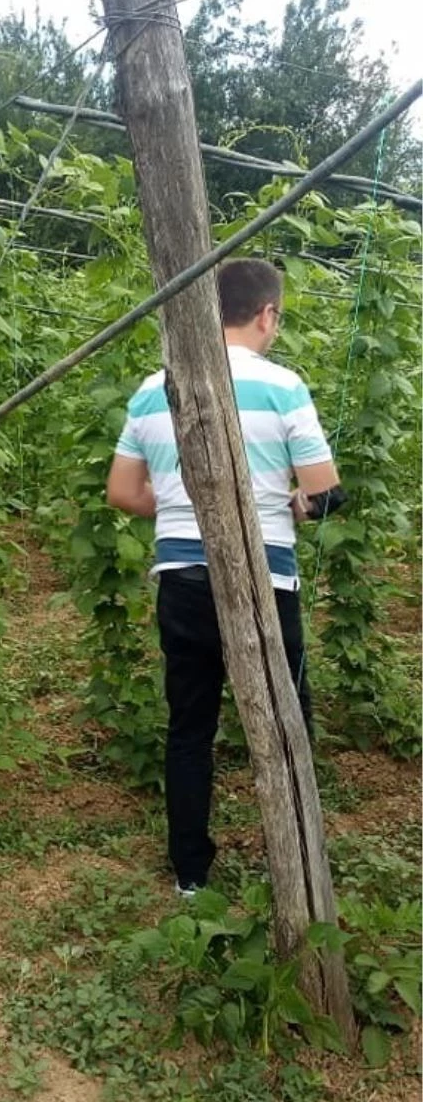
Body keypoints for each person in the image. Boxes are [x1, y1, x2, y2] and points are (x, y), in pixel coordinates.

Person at [107, 258, 345, 896]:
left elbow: (123, 492)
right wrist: (294, 501)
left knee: (190, 726)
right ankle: (298, 860)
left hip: (183, 578)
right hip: (264, 578)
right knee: (287, 718)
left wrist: (189, 502)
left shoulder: (154, 388)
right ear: (267, 314)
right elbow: (325, 493)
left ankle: (190, 874)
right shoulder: (284, 386)